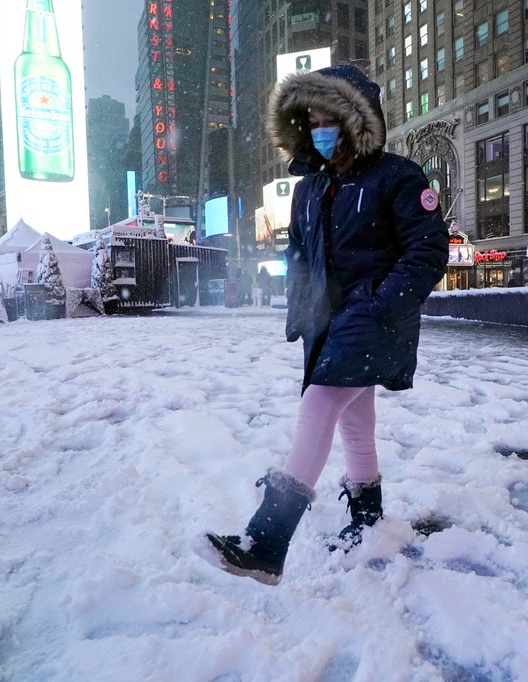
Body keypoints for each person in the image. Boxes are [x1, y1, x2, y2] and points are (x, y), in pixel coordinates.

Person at [203, 64, 448, 585]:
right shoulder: (309, 189)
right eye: (310, 121)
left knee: (318, 406)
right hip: (328, 323)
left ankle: (266, 541)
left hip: (373, 318)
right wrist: (300, 306)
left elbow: (427, 249)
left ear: (354, 118)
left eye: (327, 119)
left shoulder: (397, 177)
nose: (318, 129)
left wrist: (381, 305)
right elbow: (297, 253)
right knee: (355, 419)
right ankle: (368, 517)